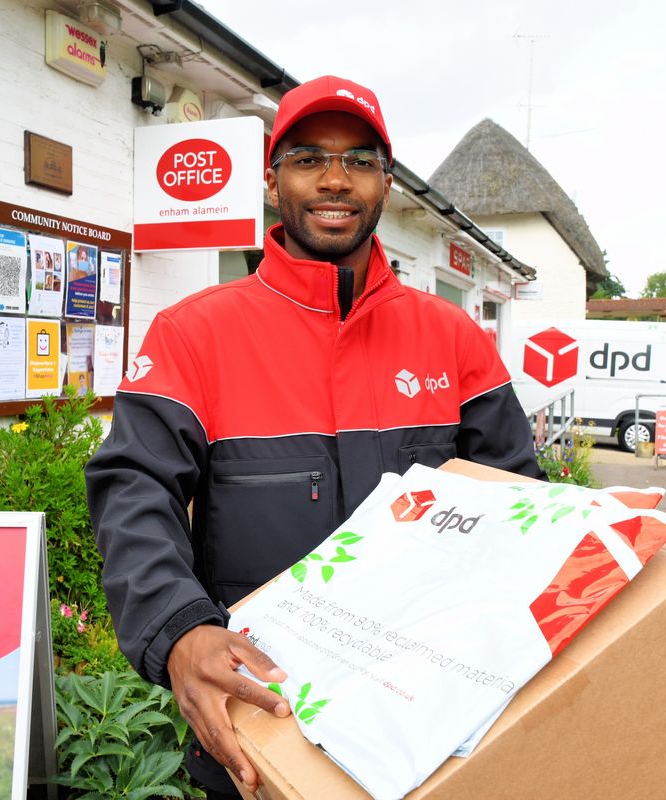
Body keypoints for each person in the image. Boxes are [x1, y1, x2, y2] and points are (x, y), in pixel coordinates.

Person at [85, 74, 544, 799]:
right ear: (272, 182)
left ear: (385, 185)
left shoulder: (453, 336)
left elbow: (520, 501)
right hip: (260, 724)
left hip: (429, 731)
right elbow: (133, 494)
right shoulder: (192, 334)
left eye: (360, 161)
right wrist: (178, 629)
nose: (336, 180)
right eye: (308, 158)